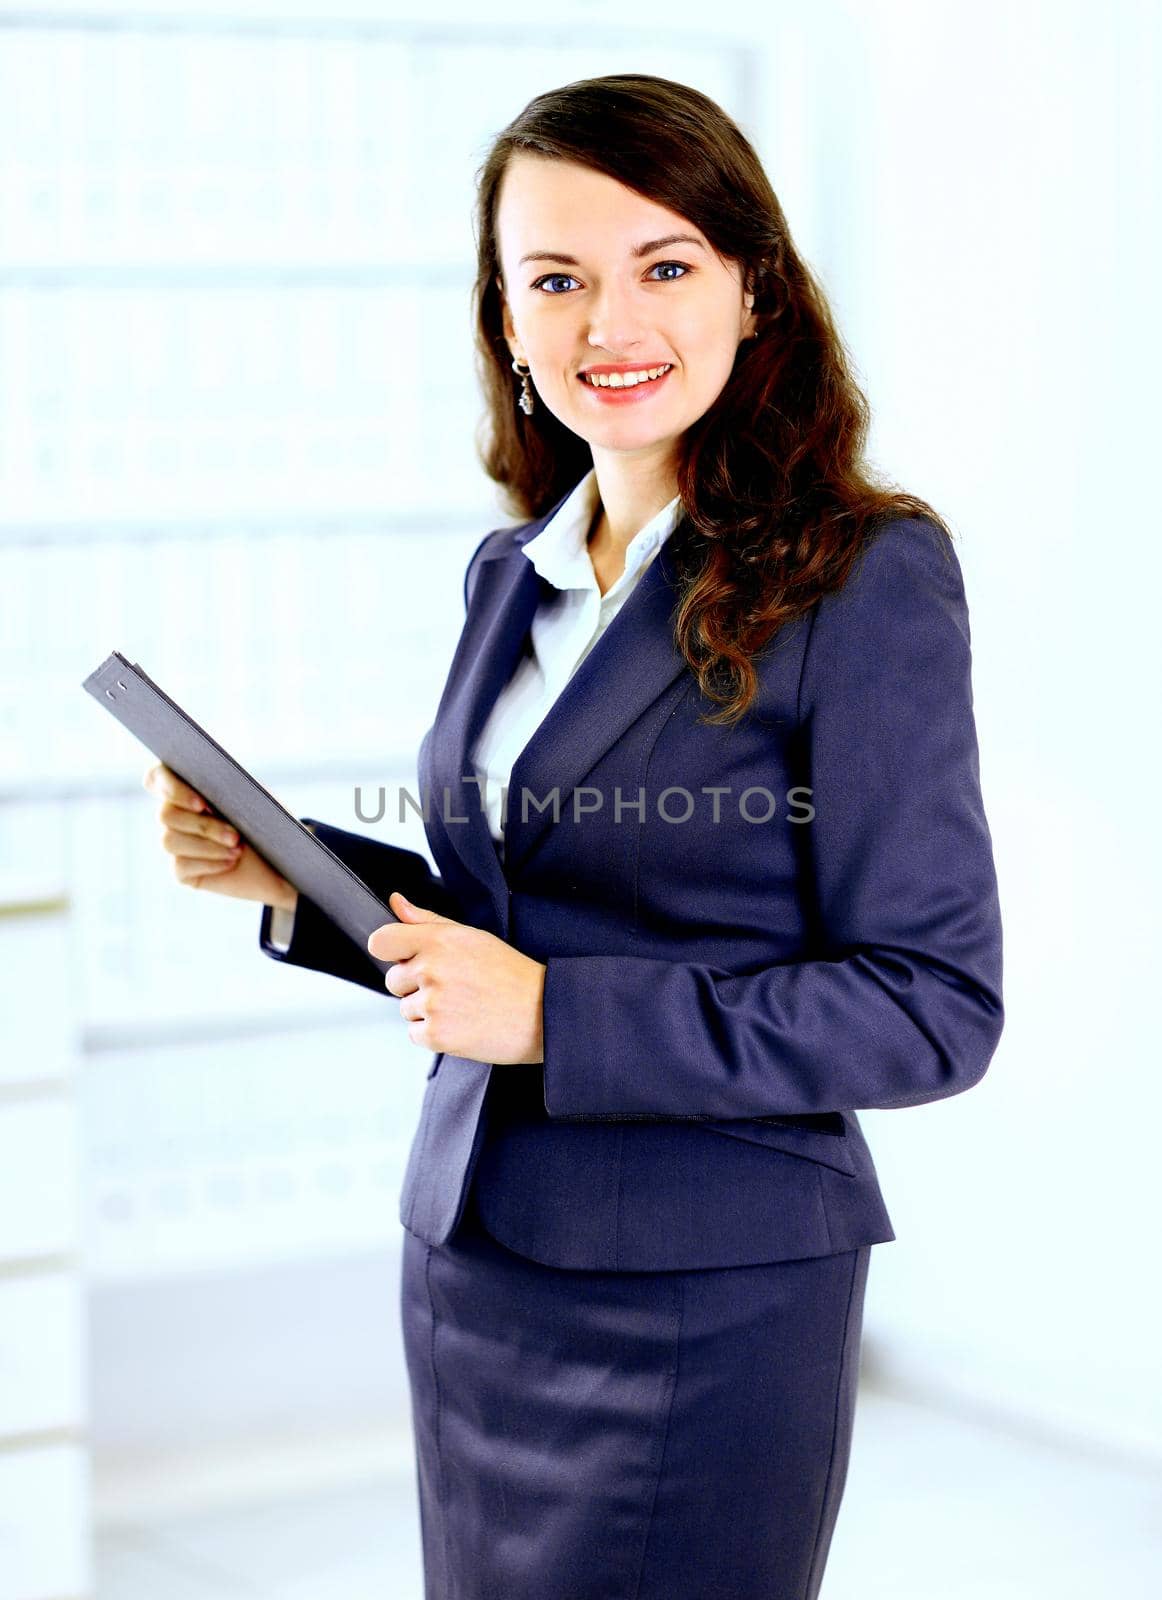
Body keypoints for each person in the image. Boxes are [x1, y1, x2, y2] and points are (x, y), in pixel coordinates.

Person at [145, 73, 1004, 1600]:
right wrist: (297, 877)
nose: (610, 323)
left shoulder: (864, 579)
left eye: (663, 266)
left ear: (753, 289)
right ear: (507, 320)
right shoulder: (512, 576)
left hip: (705, 1293)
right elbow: (513, 916)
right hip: (476, 1260)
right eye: (556, 280)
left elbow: (929, 1007)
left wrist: (555, 1018)